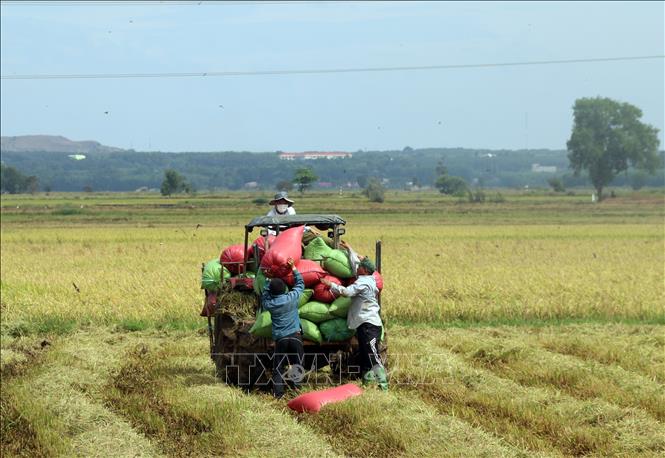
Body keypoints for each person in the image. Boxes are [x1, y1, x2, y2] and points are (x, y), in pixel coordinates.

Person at [321, 246, 387, 390]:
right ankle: (366, 383)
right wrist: (350, 250)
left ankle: (383, 385)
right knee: (365, 354)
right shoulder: (367, 278)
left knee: (372, 353)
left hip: (369, 324)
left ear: (364, 270)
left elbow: (346, 292)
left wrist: (330, 284)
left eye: (360, 267)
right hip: (363, 324)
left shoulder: (363, 282)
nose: (357, 268)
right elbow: (355, 263)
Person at [261, 258, 305, 398]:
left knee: (278, 367)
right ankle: (297, 390)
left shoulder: (271, 304)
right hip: (296, 336)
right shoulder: (292, 297)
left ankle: (278, 394)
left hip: (281, 339)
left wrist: (269, 280)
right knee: (297, 364)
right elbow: (300, 284)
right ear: (285, 289)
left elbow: (264, 296)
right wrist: (293, 268)